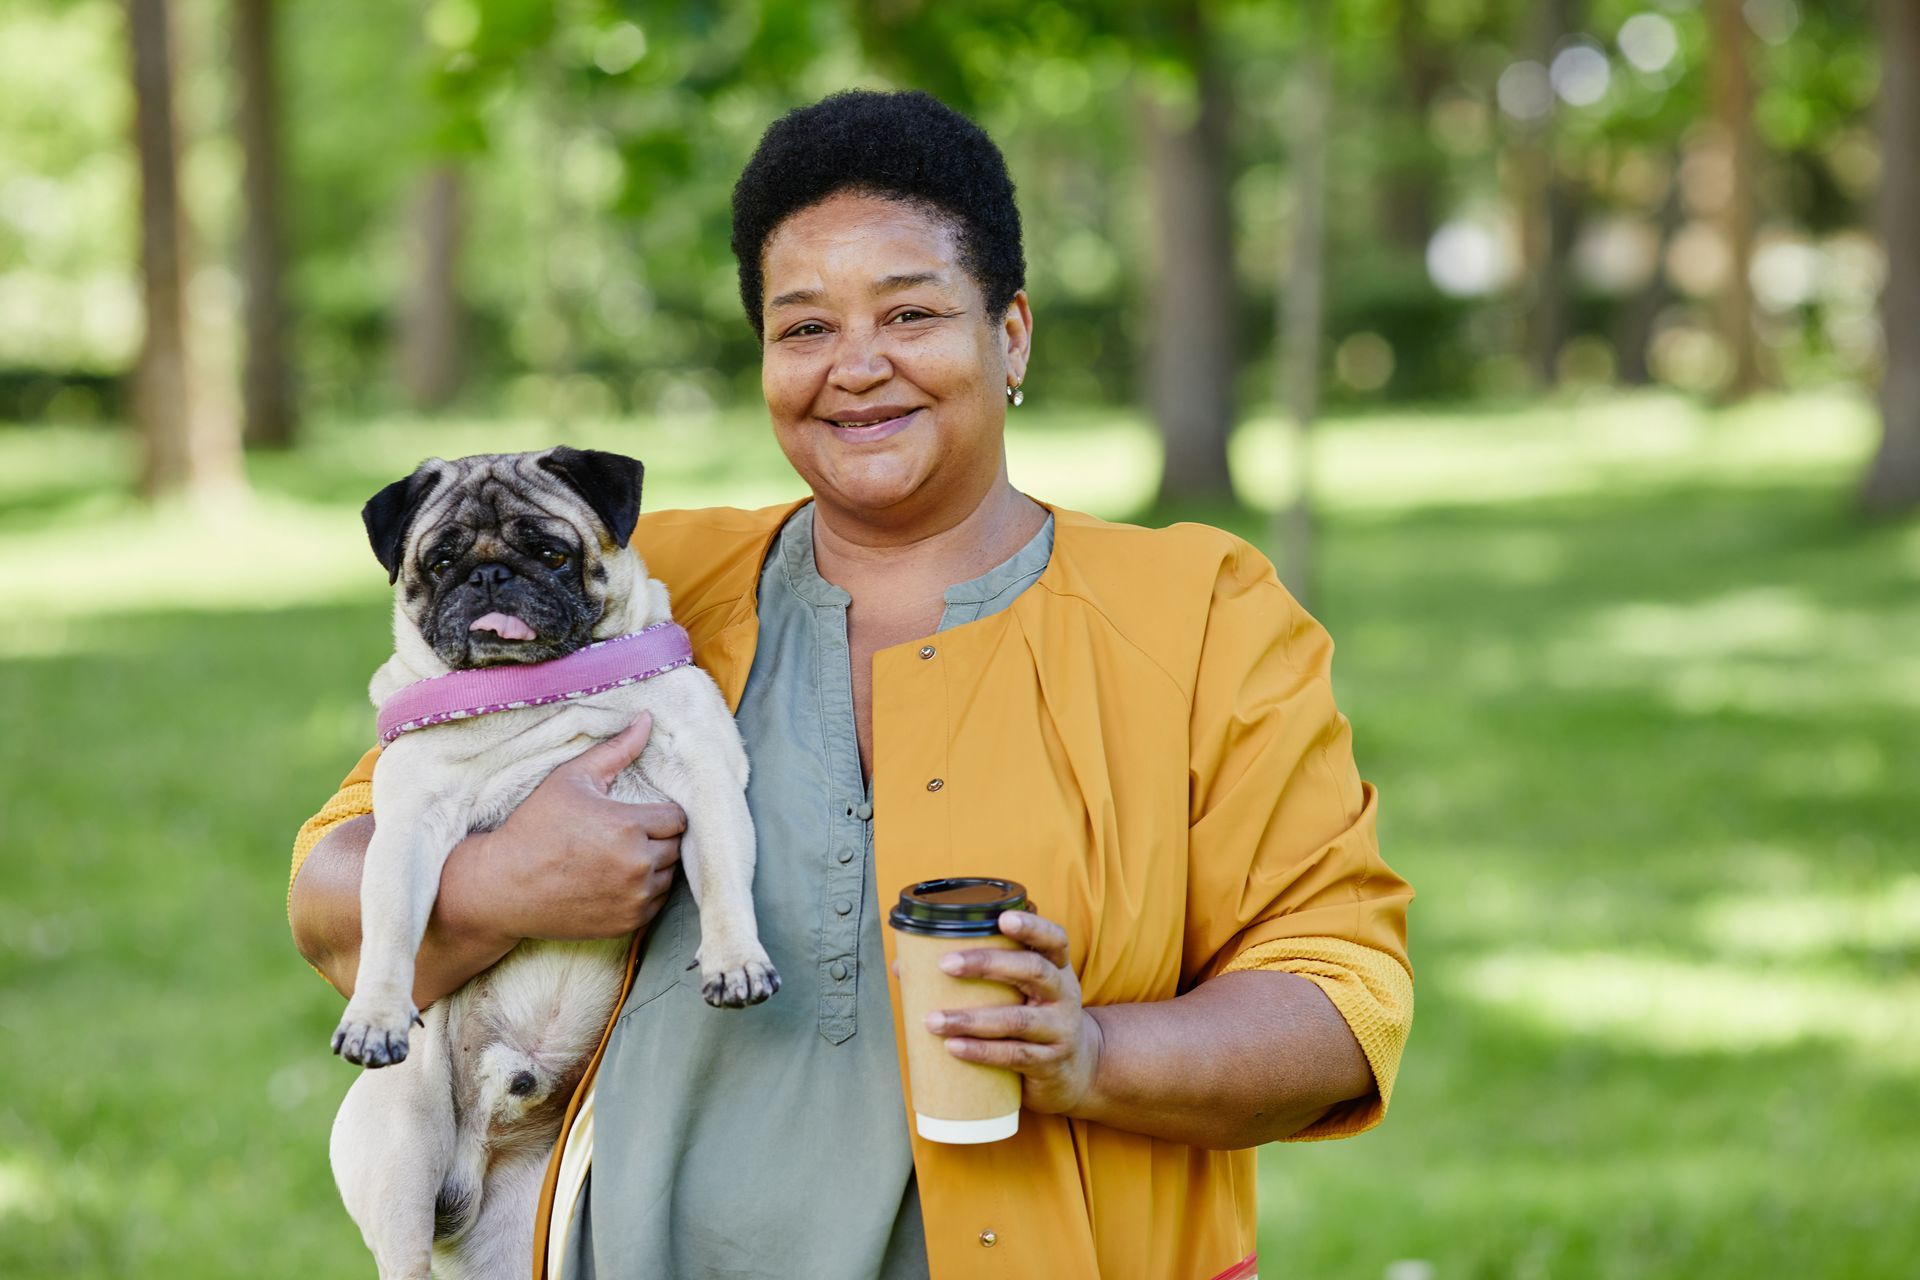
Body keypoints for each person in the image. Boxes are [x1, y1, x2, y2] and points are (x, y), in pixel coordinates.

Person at [289, 90, 1413, 1280]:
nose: (858, 367)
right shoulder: (638, 588)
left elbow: (1343, 1002)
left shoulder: (1200, 614)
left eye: (912, 312)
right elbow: (329, 894)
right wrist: (510, 878)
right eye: (805, 327)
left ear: (1012, 332)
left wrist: (1089, 1053)